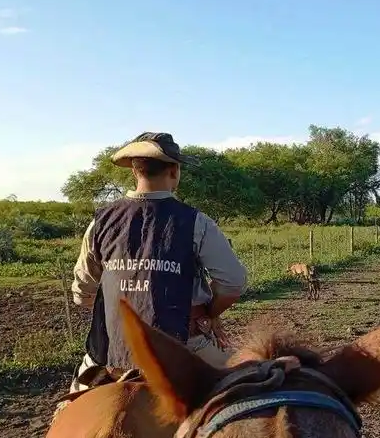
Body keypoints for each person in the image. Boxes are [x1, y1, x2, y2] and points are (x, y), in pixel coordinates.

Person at [68, 131, 248, 393]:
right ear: (174, 171)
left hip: (109, 353)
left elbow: (82, 293)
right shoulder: (196, 222)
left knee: (69, 409)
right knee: (251, 392)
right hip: (186, 347)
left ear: (134, 172)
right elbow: (233, 283)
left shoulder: (101, 221)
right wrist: (207, 314)